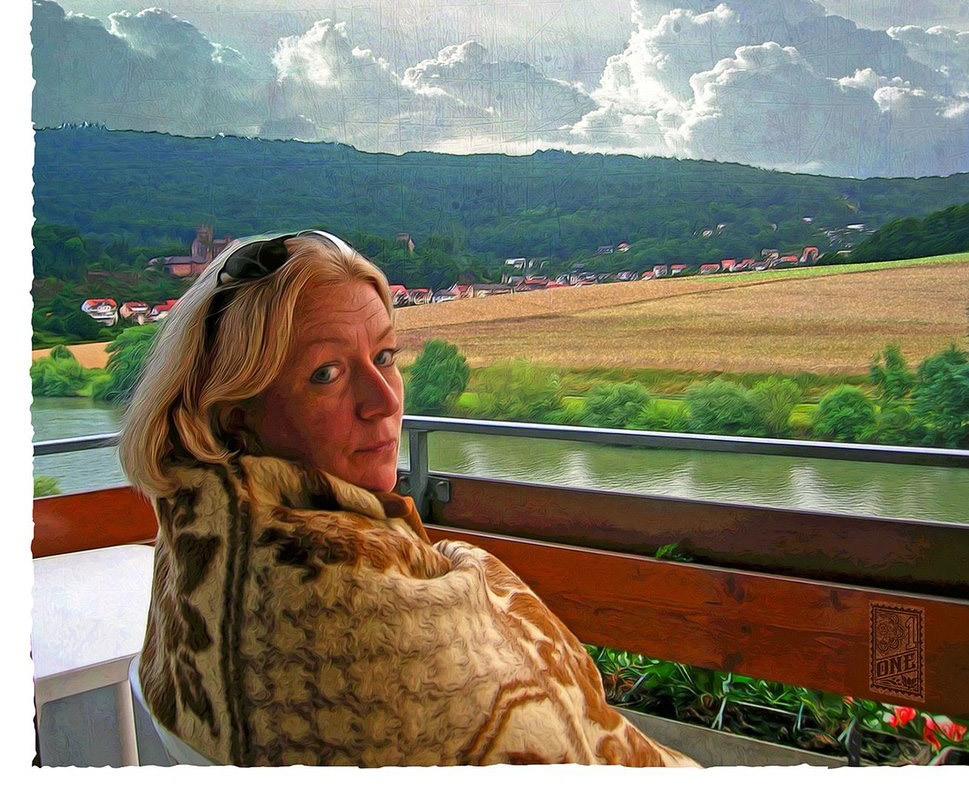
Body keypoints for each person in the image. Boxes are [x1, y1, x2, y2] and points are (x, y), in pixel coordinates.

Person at [119, 229, 700, 767]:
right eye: (326, 373)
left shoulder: (197, 544)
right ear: (235, 415)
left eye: (385, 357)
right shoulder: (355, 619)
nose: (385, 400)